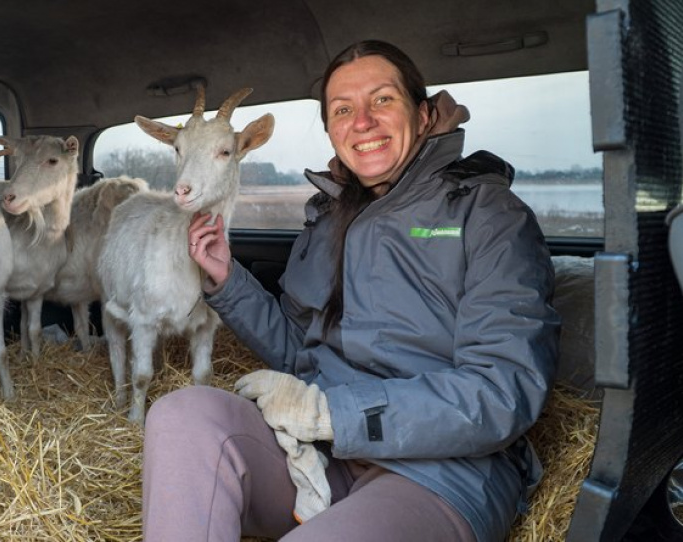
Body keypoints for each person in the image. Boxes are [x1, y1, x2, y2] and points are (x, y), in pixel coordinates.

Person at [141, 39, 560, 542]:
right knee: (181, 415)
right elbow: (300, 354)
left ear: (424, 115)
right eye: (343, 109)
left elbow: (501, 391)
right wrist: (229, 282)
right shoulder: (327, 218)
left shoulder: (487, 215)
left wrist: (331, 414)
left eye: (382, 99)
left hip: (440, 473)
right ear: (332, 130)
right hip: (322, 454)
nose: (362, 121)